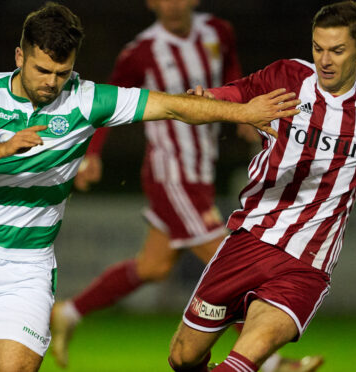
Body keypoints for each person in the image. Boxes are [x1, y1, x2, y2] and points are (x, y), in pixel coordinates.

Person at [0, 2, 301, 372]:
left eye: (61, 72)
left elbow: (173, 105)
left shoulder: (87, 99)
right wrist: (3, 147)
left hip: (27, 263)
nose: (51, 83)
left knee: (16, 368)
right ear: (19, 57)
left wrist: (241, 112)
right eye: (42, 70)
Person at [51, 1, 322, 371]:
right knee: (229, 261)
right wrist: (92, 153)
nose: (172, 5)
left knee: (154, 265)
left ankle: (69, 312)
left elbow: (231, 70)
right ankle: (273, 363)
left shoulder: (218, 33)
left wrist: (243, 111)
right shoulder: (142, 50)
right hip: (170, 173)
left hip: (200, 171)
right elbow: (106, 99)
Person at [167, 2, 356, 371]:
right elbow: (238, 92)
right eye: (318, 48)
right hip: (248, 240)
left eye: (337, 50)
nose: (325, 60)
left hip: (306, 262)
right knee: (183, 357)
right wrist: (208, 97)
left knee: (243, 358)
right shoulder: (287, 77)